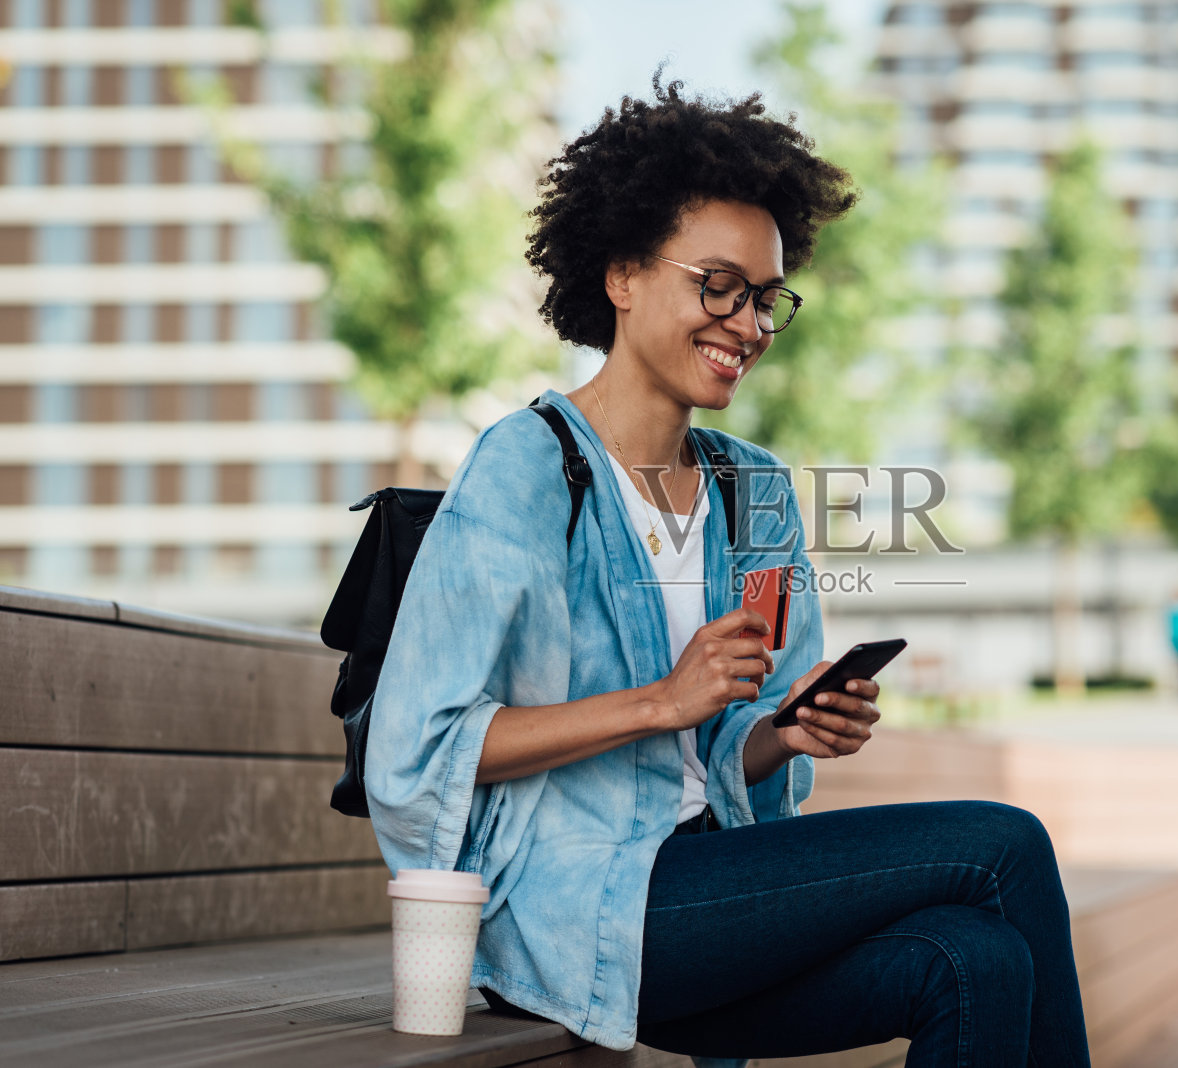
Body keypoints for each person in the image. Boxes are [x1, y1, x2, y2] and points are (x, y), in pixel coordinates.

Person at [364, 76, 1092, 1067]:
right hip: (573, 906)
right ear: (622, 274)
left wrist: (782, 732)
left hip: (713, 897)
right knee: (1003, 846)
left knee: (976, 962)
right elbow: (419, 749)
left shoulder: (755, 494)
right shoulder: (528, 466)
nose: (747, 323)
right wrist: (658, 701)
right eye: (717, 285)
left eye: (764, 298)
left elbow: (719, 757)